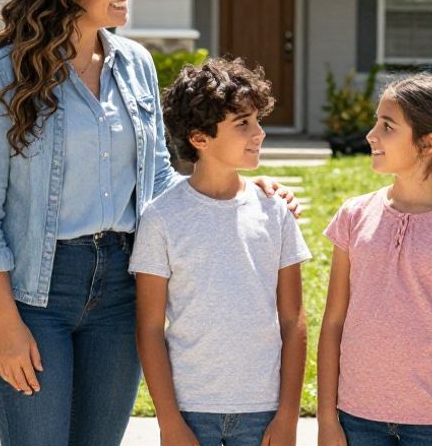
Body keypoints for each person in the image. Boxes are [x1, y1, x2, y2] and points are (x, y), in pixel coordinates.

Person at [0, 0, 296, 446]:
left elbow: (158, 178)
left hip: (120, 289)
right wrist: (6, 322)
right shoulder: (4, 76)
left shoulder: (135, 64)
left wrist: (238, 186)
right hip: (34, 295)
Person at [130, 58, 310, 446]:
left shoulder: (274, 211)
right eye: (242, 123)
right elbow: (149, 328)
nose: (259, 132)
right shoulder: (161, 218)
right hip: (191, 411)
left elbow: (293, 320)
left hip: (263, 411)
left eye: (258, 120)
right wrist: (169, 422)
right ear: (200, 138)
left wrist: (288, 417)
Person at [317, 73, 432, 446]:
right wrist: (326, 420)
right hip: (355, 418)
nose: (371, 134)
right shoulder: (353, 215)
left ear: (428, 143)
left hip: (429, 425)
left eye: (387, 126)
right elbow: (333, 322)